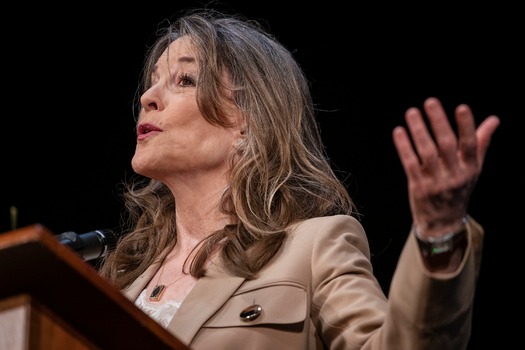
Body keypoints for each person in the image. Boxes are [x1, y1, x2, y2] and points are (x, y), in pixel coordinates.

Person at [97, 8, 500, 349]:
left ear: (248, 121)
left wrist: (439, 232)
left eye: (185, 80)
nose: (149, 96)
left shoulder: (312, 249)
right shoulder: (116, 276)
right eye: (153, 80)